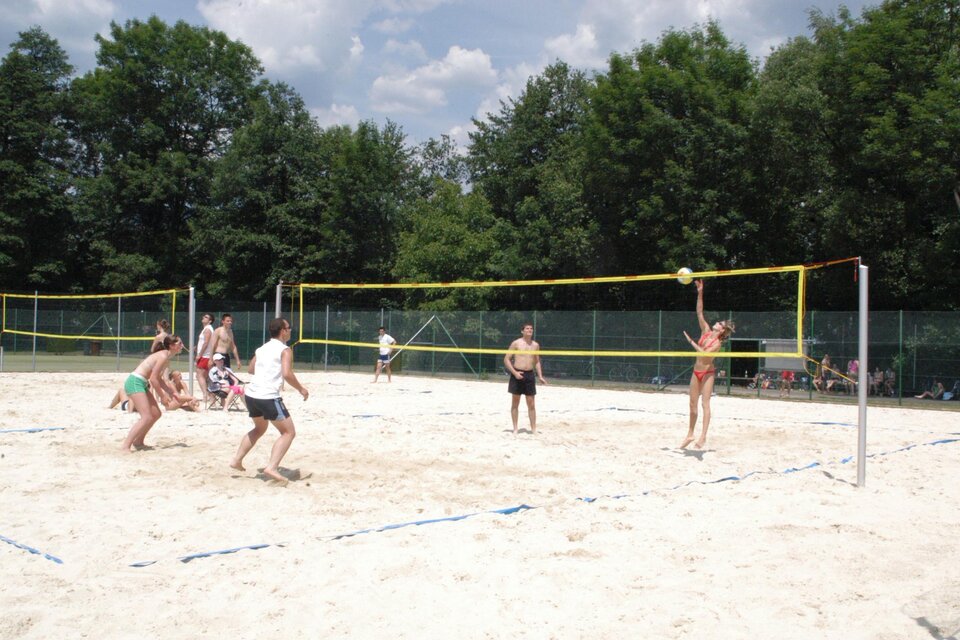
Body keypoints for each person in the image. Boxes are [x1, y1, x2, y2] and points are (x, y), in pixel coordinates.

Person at [230, 317, 308, 483]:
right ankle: (271, 467)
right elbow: (287, 374)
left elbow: (251, 369)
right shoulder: (285, 350)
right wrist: (301, 389)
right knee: (288, 432)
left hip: (251, 395)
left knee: (259, 428)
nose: (290, 330)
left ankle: (237, 460)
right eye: (289, 327)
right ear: (283, 331)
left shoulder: (261, 348)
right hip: (268, 396)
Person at [681, 279, 735, 449]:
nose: (716, 323)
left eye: (720, 323)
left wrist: (691, 341)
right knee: (692, 404)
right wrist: (700, 292)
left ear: (721, 330)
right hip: (696, 371)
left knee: (705, 404)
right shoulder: (706, 331)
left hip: (707, 373)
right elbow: (699, 312)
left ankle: (703, 436)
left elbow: (704, 354)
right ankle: (690, 433)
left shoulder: (717, 343)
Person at [119, 335, 185, 452]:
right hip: (135, 382)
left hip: (141, 383)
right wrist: (162, 396)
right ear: (171, 346)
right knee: (146, 417)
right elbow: (153, 379)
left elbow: (158, 379)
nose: (182, 346)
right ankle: (125, 446)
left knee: (156, 414)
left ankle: (138, 442)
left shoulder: (166, 357)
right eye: (179, 343)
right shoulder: (163, 356)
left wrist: (171, 392)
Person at [503, 322, 547, 435]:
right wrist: (514, 373)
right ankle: (515, 428)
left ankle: (533, 429)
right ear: (522, 331)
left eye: (531, 328)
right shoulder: (516, 343)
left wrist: (540, 376)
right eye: (527, 328)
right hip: (517, 374)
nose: (529, 330)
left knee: (531, 404)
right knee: (515, 403)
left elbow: (537, 361)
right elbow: (506, 359)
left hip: (529, 375)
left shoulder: (535, 345)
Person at [196, 313, 215, 403]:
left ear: (210, 321)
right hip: (206, 355)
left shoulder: (208, 329)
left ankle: (205, 395)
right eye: (204, 316)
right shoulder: (207, 328)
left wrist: (199, 354)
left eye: (206, 317)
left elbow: (206, 343)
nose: (203, 317)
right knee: (205, 376)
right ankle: (210, 396)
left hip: (205, 356)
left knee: (199, 375)